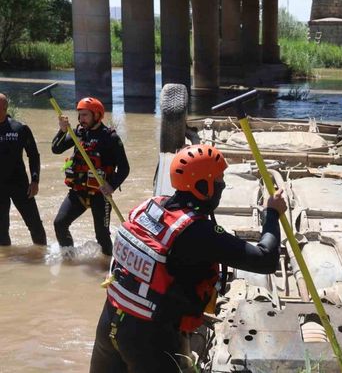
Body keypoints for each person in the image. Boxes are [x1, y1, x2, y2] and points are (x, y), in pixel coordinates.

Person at [89, 144, 287, 373]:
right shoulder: (197, 231)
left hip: (109, 324)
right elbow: (265, 259)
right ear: (206, 186)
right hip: (149, 340)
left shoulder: (149, 207)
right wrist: (272, 214)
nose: (222, 185)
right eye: (219, 180)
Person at [51, 97, 129, 256]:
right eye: (79, 115)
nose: (81, 119)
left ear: (97, 115)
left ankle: (108, 264)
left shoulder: (111, 138)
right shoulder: (78, 133)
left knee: (102, 235)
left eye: (85, 115)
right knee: (60, 223)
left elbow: (124, 168)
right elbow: (56, 149)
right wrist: (62, 131)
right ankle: (69, 259)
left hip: (100, 195)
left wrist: (111, 185)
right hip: (79, 191)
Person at [0, 93, 47, 246]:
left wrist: (35, 180)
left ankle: (42, 258)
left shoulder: (20, 128)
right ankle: (7, 265)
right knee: (1, 230)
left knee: (35, 226)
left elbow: (33, 155)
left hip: (19, 184)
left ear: (4, 108)